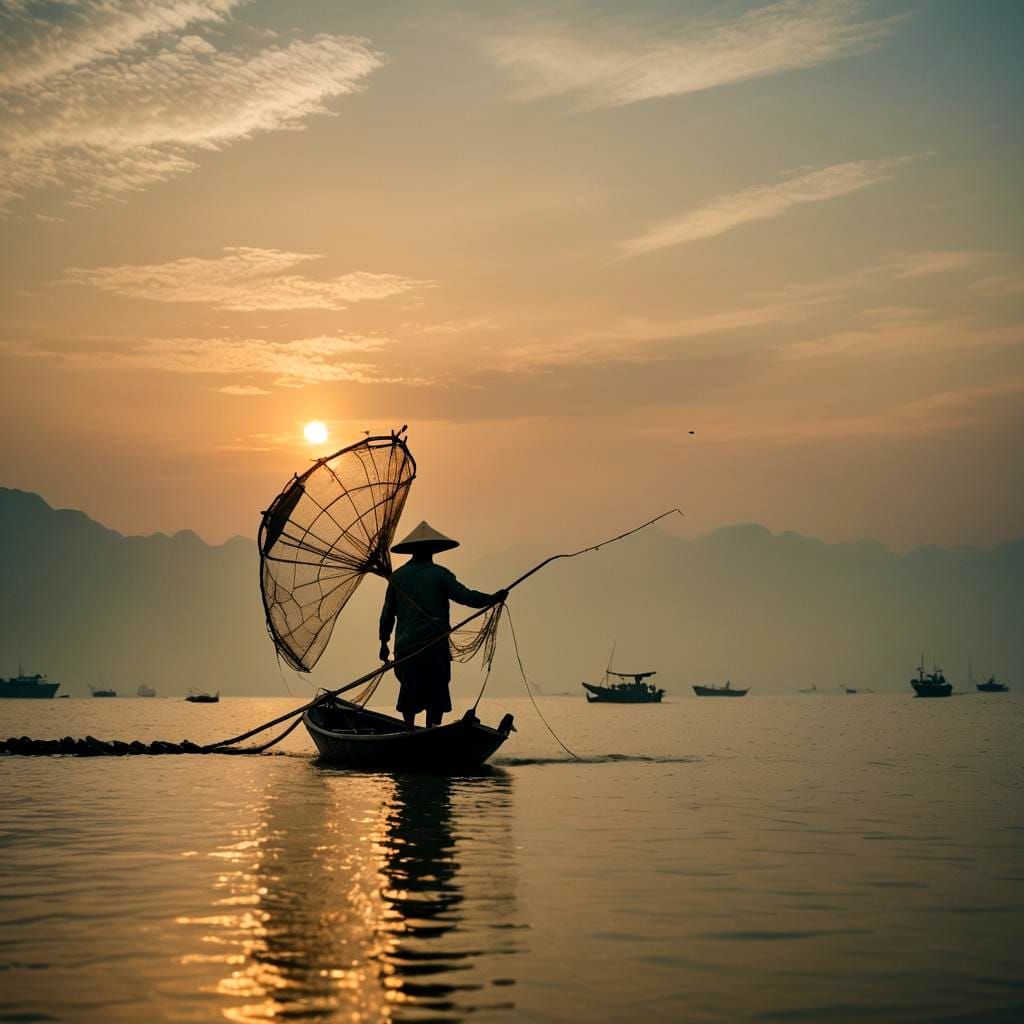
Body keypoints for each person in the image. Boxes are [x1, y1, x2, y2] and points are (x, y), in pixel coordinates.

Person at [379, 521, 507, 729]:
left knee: (410, 690)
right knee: (436, 691)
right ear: (432, 550)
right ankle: (430, 730)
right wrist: (492, 598)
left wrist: (383, 642)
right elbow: (465, 596)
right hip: (433, 645)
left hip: (406, 647)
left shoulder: (398, 578)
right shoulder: (440, 574)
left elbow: (387, 615)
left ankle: (410, 731)